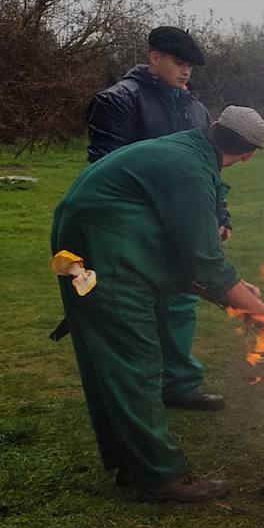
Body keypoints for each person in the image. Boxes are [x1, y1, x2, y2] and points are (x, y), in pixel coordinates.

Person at [52, 107, 264, 502]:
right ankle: (160, 476)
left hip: (99, 244)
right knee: (134, 364)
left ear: (213, 127)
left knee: (116, 365)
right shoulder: (190, 170)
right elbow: (205, 263)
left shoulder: (190, 151)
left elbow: (187, 253)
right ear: (249, 154)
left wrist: (239, 292)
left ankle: (133, 462)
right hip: (104, 260)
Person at [85, 26, 229, 411]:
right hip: (134, 226)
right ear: (154, 57)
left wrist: (220, 213)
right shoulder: (118, 101)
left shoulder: (196, 109)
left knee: (182, 302)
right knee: (135, 310)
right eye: (178, 63)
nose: (185, 73)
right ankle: (139, 391)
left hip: (180, 225)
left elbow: (208, 171)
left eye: (190, 67)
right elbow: (105, 168)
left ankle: (181, 385)